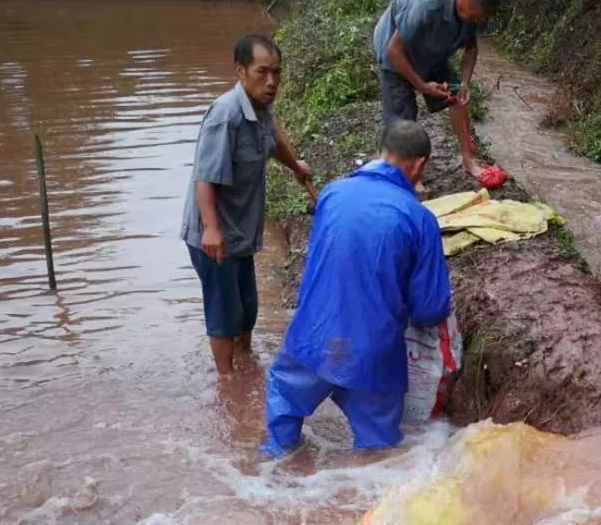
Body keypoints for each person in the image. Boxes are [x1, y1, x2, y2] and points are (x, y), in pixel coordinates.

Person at [262, 121, 451, 455]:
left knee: (283, 420)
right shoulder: (420, 219)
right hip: (372, 353)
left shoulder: (332, 193)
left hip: (311, 340)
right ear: (419, 164)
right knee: (378, 453)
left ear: (382, 151)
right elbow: (429, 309)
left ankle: (273, 467)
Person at [181, 34, 311, 374]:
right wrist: (210, 228)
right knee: (224, 315)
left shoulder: (263, 107)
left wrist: (295, 165)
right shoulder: (225, 117)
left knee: (247, 310)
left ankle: (247, 368)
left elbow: (274, 137)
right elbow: (204, 178)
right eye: (262, 72)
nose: (271, 82)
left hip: (240, 232)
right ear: (240, 71)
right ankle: (228, 388)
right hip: (214, 235)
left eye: (277, 73)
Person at [373, 0, 501, 182]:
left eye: (479, 18)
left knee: (458, 97)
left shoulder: (472, 6)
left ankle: (468, 160)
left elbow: (471, 49)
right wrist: (422, 86)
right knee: (402, 120)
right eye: (474, 16)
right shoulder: (426, 3)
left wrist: (464, 84)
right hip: (395, 52)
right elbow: (394, 51)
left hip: (433, 49)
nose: (475, 21)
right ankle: (404, 176)